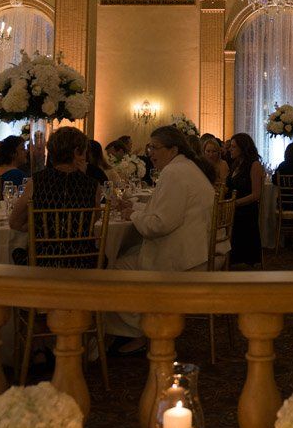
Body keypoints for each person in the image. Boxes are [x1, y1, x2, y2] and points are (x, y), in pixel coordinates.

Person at [106, 125, 217, 351]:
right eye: (150, 148)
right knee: (129, 255)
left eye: (155, 148)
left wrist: (133, 214)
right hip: (195, 250)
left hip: (181, 259)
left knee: (112, 269)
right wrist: (134, 206)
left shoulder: (174, 173)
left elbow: (159, 225)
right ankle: (143, 326)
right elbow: (167, 209)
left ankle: (141, 331)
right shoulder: (186, 167)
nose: (150, 153)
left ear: (173, 149)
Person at [8, 127, 99, 237]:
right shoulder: (93, 185)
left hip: (43, 253)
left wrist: (42, 226)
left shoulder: (36, 182)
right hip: (84, 253)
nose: (85, 157)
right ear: (76, 152)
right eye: (85, 152)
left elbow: (14, 223)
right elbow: (92, 220)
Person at [226, 133, 265, 267]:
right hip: (233, 208)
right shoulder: (236, 164)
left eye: (233, 147)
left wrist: (234, 203)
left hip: (245, 211)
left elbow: (256, 194)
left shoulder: (254, 165)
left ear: (243, 148)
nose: (230, 149)